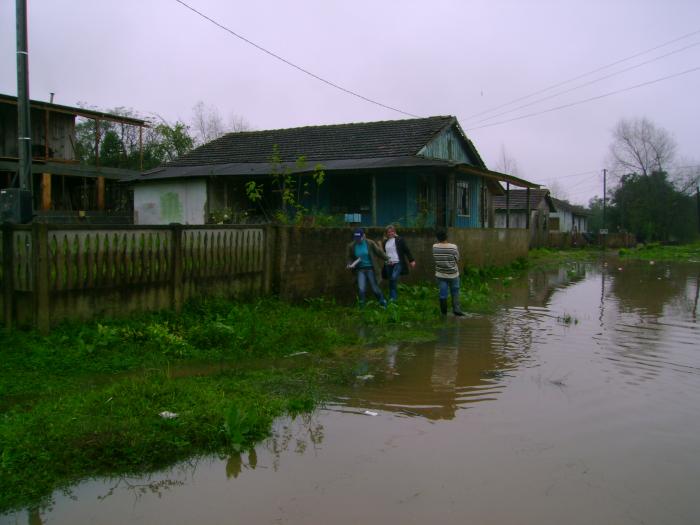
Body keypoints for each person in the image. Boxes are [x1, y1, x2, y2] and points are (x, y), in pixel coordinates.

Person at [346, 228, 388, 307]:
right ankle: (362, 307)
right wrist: (349, 264)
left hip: (370, 269)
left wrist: (387, 259)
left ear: (363, 236)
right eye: (356, 238)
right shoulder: (351, 246)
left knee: (375, 288)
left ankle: (383, 302)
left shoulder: (370, 243)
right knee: (361, 289)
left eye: (359, 238)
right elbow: (349, 257)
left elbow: (379, 252)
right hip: (360, 270)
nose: (358, 240)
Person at [432, 229, 465, 316]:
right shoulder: (453, 247)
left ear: (437, 238)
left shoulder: (434, 247)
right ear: (446, 237)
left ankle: (444, 313)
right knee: (455, 292)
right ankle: (456, 310)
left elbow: (435, 258)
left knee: (443, 293)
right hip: (453, 274)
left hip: (440, 274)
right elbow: (457, 258)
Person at [381, 224, 416, 302]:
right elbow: (384, 253)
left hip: (397, 262)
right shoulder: (385, 242)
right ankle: (392, 298)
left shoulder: (399, 240)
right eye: (389, 232)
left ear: (395, 232)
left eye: (392, 231)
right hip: (388, 264)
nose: (390, 233)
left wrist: (411, 260)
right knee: (390, 281)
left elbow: (406, 250)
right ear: (386, 233)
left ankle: (393, 299)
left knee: (393, 278)